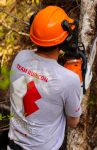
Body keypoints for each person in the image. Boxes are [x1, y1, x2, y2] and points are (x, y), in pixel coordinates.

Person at [8, 6, 81, 150]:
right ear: (65, 40)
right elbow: (73, 122)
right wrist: (76, 80)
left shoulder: (20, 57)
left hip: (13, 145)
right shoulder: (69, 79)